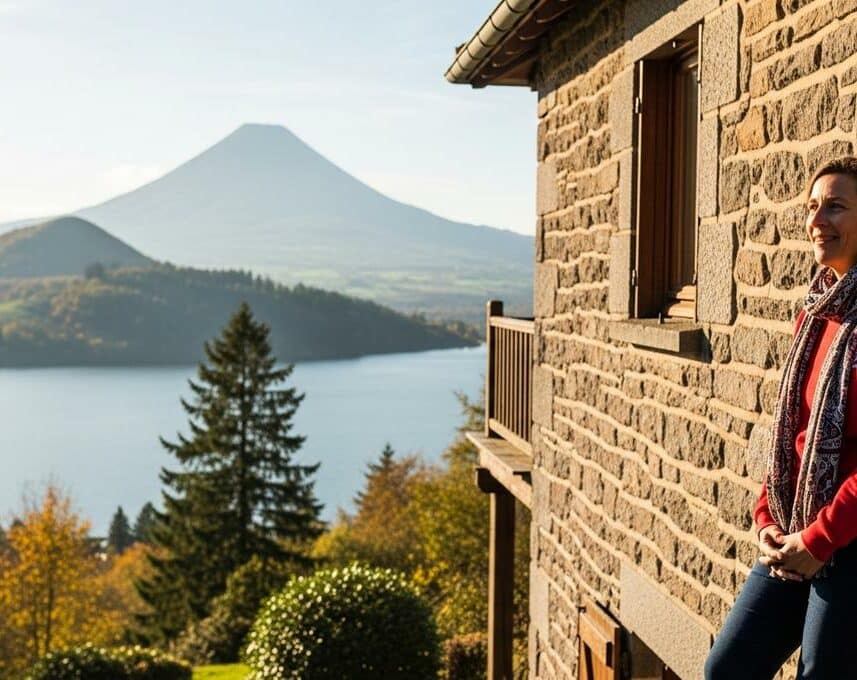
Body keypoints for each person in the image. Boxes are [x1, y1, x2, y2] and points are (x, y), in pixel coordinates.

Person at [705, 156, 857, 679]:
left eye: (835, 206)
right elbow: (793, 432)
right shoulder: (817, 311)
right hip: (794, 531)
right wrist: (767, 516)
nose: (818, 220)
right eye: (812, 207)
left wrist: (820, 541)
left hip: (848, 543)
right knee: (726, 669)